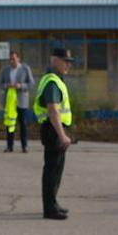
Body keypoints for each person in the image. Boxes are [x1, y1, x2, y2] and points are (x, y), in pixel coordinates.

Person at [35, 48, 74, 220]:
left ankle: (53, 203)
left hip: (54, 129)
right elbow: (53, 110)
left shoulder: (55, 80)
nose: (68, 65)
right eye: (65, 61)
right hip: (53, 130)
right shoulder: (52, 82)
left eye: (69, 62)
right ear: (54, 60)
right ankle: (49, 208)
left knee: (57, 169)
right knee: (52, 169)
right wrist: (62, 134)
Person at [0, 51, 34, 153]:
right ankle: (9, 146)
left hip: (21, 100)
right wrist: (7, 85)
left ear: (18, 59)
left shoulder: (25, 69)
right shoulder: (6, 70)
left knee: (23, 123)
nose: (12, 61)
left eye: (13, 59)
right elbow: (0, 84)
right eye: (10, 59)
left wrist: (21, 86)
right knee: (10, 124)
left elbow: (31, 83)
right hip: (10, 101)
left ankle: (24, 146)